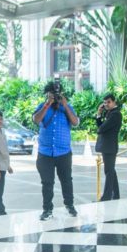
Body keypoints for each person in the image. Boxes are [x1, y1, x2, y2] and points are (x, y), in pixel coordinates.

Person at [33, 80, 79, 220]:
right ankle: (47, 210)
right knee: (47, 183)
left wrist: (64, 105)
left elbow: (75, 122)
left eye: (57, 93)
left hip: (63, 152)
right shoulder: (42, 106)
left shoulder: (67, 107)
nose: (54, 95)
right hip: (45, 153)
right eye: (52, 93)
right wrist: (48, 104)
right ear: (47, 94)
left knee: (66, 180)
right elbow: (36, 120)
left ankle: (69, 205)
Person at [94, 94, 122, 201]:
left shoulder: (115, 114)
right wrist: (99, 114)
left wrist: (101, 127)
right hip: (107, 146)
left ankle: (106, 196)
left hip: (110, 146)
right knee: (111, 171)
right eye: (105, 102)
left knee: (108, 171)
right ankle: (116, 195)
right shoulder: (109, 113)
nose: (106, 104)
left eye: (109, 102)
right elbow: (100, 126)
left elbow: (101, 129)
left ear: (114, 102)